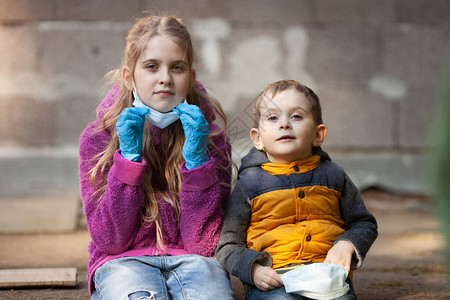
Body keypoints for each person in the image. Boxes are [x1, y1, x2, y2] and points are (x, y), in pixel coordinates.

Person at [79, 14, 235, 299]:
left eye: (177, 67)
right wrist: (127, 160)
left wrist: (198, 163)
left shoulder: (212, 139)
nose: (165, 78)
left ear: (191, 77)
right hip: (122, 261)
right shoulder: (97, 138)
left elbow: (204, 244)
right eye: (152, 66)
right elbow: (110, 240)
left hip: (195, 260)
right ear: (129, 77)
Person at [215, 80, 378, 299]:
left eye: (296, 116)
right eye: (273, 117)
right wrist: (253, 270)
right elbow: (228, 243)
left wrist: (347, 244)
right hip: (274, 279)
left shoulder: (334, 176)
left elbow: (364, 223)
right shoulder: (249, 183)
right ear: (257, 138)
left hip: (327, 277)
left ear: (318, 134)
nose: (284, 124)